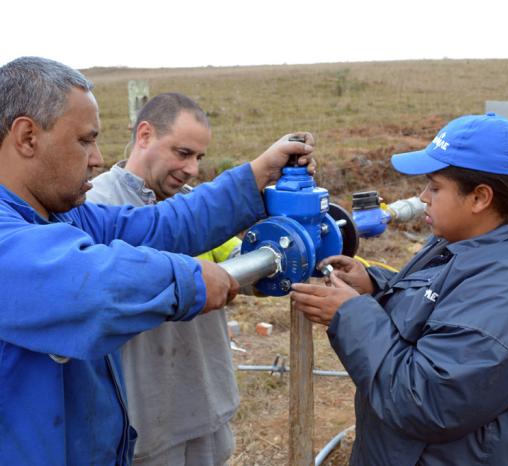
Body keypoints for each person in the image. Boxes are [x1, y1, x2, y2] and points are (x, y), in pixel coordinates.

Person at [0, 56, 314, 466]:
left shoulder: (61, 214)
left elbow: (159, 225)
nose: (96, 158)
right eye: (84, 140)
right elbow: (92, 285)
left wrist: (255, 175)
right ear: (27, 137)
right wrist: (192, 279)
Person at [291, 113, 508, 465]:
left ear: (479, 198)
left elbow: (422, 399)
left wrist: (350, 315)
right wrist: (374, 287)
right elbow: (441, 307)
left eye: (435, 186)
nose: (422, 196)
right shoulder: (469, 243)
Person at [87, 92, 242, 466]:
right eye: (183, 153)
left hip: (206, 401)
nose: (192, 169)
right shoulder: (95, 205)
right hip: (146, 422)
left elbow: (237, 260)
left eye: (199, 158)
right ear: (144, 135)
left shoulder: (194, 206)